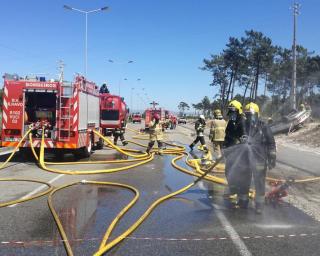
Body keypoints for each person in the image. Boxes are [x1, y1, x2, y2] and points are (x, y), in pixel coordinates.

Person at [223, 100, 246, 208]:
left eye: (233, 111)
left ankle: (239, 193)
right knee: (228, 171)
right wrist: (224, 146)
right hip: (231, 151)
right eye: (230, 111)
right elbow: (227, 135)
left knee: (238, 173)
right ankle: (233, 190)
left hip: (240, 153)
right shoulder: (231, 122)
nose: (231, 113)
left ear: (238, 111)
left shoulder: (243, 122)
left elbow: (245, 138)